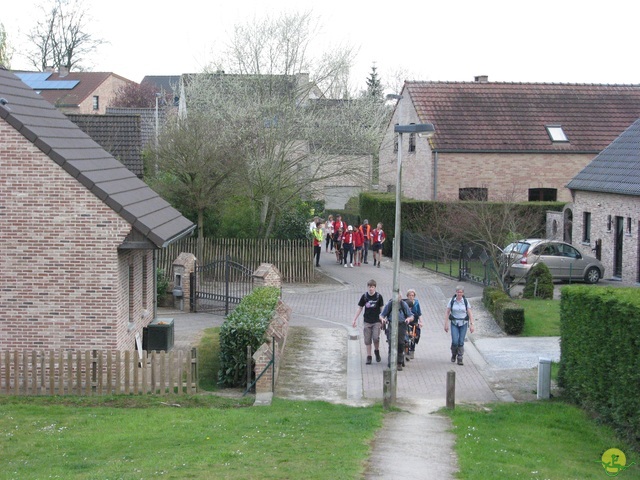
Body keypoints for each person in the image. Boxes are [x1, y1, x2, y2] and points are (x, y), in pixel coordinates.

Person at [352, 279, 385, 365]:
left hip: (376, 321)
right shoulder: (364, 297)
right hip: (367, 321)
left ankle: (376, 351)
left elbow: (382, 309)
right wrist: (354, 319)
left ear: (375, 288)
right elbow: (360, 308)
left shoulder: (379, 297)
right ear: (368, 287)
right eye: (369, 287)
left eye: (372, 287)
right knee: (367, 340)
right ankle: (369, 356)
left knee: (375, 338)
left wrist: (383, 319)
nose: (371, 289)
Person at [380, 293, 414, 370]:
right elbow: (382, 315)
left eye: (399, 298)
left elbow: (411, 315)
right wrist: (382, 319)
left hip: (401, 325)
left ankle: (399, 362)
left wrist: (409, 319)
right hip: (391, 324)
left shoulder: (403, 304)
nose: (398, 299)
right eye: (396, 298)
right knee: (391, 342)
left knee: (401, 343)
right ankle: (391, 361)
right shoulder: (389, 304)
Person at [444, 286, 475, 366]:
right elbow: (447, 312)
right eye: (458, 292)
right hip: (454, 322)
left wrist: (472, 324)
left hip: (463, 323)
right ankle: (454, 353)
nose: (459, 294)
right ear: (456, 292)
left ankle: (460, 357)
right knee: (455, 341)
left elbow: (470, 313)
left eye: (461, 292)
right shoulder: (452, 301)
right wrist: (446, 323)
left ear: (463, 293)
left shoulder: (465, 301)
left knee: (461, 341)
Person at [405, 289, 424, 360]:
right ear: (407, 296)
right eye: (409, 295)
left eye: (412, 295)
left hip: (414, 322)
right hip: (407, 321)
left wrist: (421, 322)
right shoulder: (405, 303)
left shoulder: (416, 303)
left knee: (414, 336)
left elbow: (419, 313)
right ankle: (406, 351)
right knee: (407, 336)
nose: (411, 297)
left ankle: (412, 351)